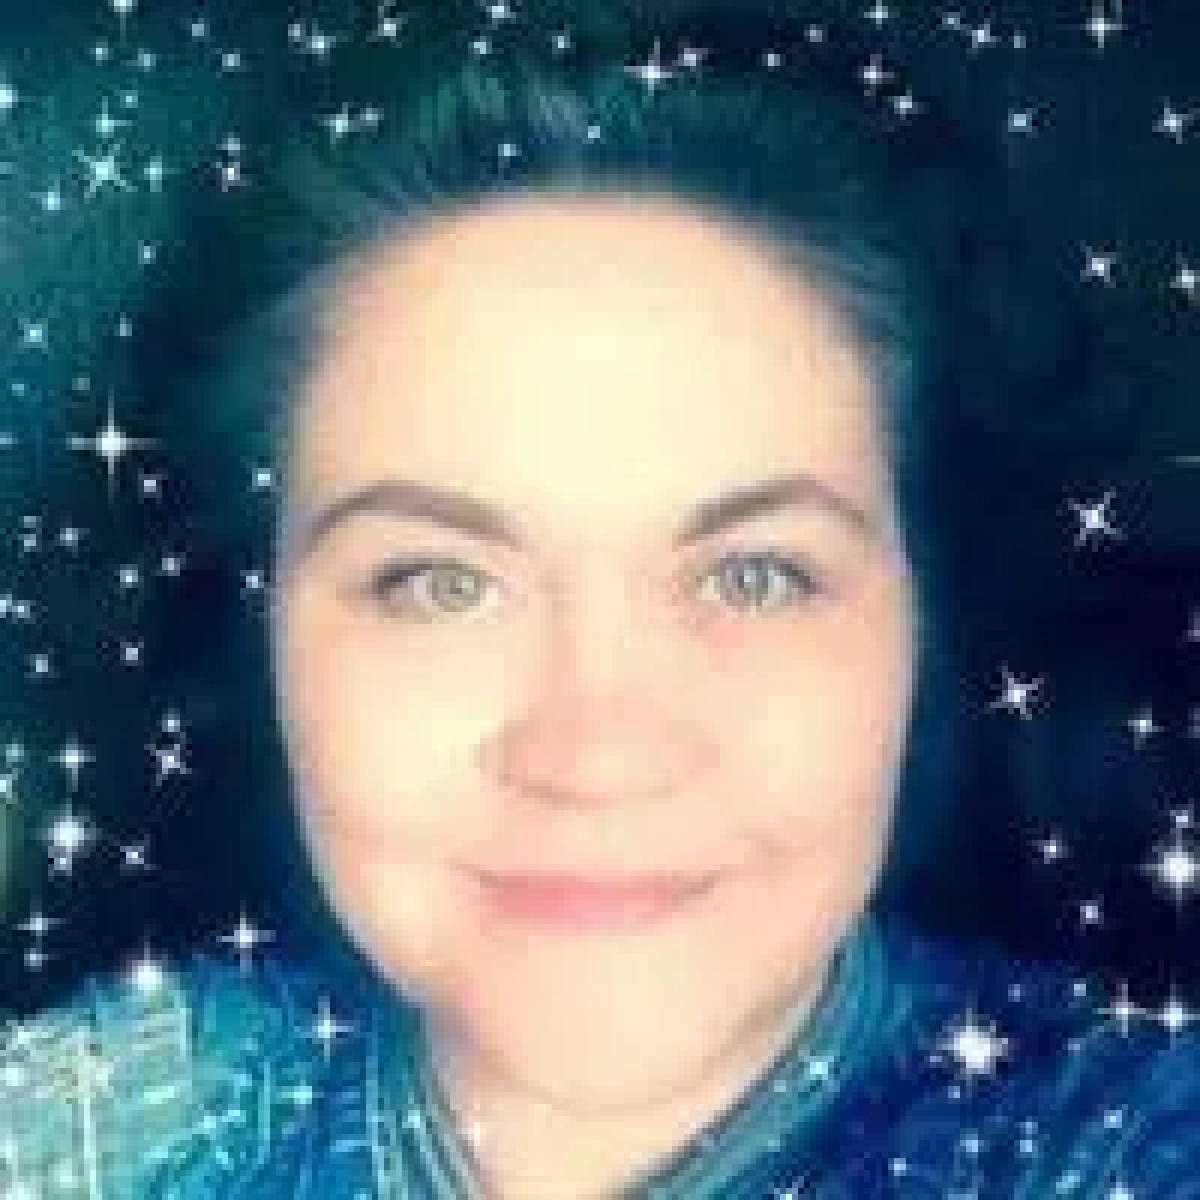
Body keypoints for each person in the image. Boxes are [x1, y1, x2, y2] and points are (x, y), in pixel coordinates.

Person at [1, 2, 1195, 1196]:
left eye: (754, 575)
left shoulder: (1128, 1145)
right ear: (257, 627)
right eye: (439, 583)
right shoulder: (95, 1121)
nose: (597, 754)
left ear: (926, 621)